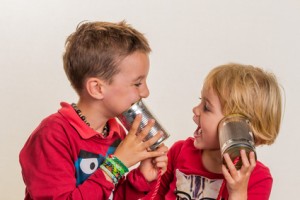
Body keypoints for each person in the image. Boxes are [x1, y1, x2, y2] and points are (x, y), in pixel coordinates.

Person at [19, 20, 168, 200]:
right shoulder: (53, 135)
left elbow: (112, 196)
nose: (146, 92)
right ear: (97, 88)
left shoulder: (115, 133)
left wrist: (142, 177)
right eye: (137, 83)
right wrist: (116, 165)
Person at [150, 63, 282, 200]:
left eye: (206, 107)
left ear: (237, 127)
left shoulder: (258, 179)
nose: (195, 109)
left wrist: (238, 193)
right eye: (200, 101)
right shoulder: (179, 152)